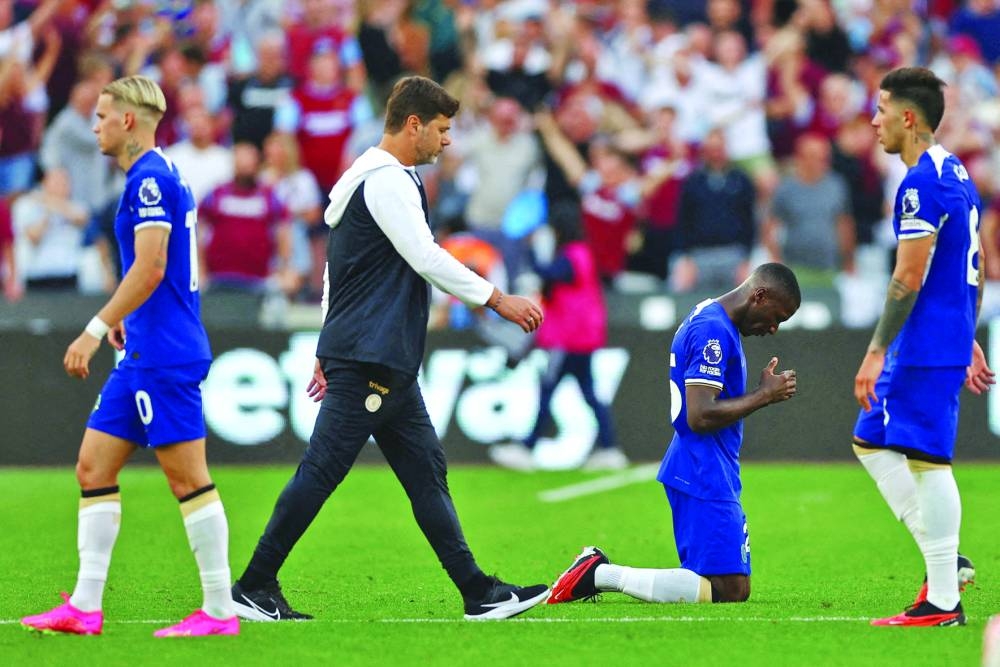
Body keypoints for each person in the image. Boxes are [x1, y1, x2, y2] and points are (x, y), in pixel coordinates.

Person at [231, 76, 550, 622]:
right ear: (413, 124)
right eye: (442, 129)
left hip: (380, 357)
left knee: (427, 473)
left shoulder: (366, 177)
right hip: (370, 356)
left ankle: (478, 592)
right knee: (322, 471)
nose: (447, 141)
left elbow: (336, 270)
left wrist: (326, 341)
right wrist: (498, 299)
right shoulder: (388, 181)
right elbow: (425, 256)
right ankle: (253, 584)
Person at [20, 75, 238, 637]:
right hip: (142, 348)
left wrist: (95, 327)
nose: (94, 126)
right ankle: (84, 606)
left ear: (127, 120)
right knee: (93, 467)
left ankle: (219, 611)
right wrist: (125, 318)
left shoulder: (149, 180)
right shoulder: (156, 174)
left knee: (188, 479)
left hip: (164, 354)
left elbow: (151, 266)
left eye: (100, 117)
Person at [547, 262, 800, 606]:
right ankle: (598, 574)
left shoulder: (714, 319)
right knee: (730, 588)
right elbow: (699, 414)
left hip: (706, 465)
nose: (773, 329)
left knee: (728, 587)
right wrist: (764, 396)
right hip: (703, 467)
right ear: (759, 295)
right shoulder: (713, 330)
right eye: (777, 317)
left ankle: (598, 573)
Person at [852, 66, 994, 627]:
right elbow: (974, 261)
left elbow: (908, 276)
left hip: (924, 342)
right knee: (870, 439)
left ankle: (942, 602)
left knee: (928, 461)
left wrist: (875, 350)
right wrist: (968, 333)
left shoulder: (920, 185)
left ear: (908, 117)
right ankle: (946, 562)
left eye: (881, 110)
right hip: (942, 335)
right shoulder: (954, 170)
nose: (874, 121)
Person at [488, 206, 625, 472]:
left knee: (549, 389)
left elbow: (549, 273)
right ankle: (610, 448)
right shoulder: (581, 253)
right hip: (581, 338)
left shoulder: (574, 255)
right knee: (587, 392)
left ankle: (527, 448)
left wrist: (529, 249)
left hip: (568, 338)